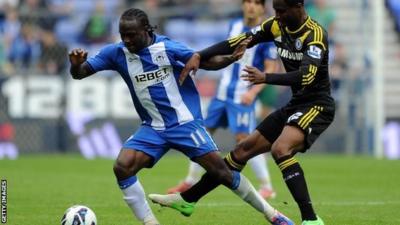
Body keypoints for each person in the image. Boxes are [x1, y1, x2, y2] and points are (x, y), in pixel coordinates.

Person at [69, 8, 293, 225]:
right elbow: (80, 74)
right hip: (153, 127)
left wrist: (231, 59)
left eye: (131, 35)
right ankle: (150, 222)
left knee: (222, 173)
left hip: (185, 123)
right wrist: (76, 65)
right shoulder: (116, 53)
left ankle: (272, 214)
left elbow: (204, 61)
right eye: (123, 35)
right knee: (122, 166)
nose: (126, 40)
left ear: (146, 30)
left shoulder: (167, 47)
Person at [149, 0, 335, 225]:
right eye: (275, 10)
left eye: (282, 11)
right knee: (241, 151)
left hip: (317, 105)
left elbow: (307, 77)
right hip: (296, 104)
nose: (277, 16)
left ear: (299, 6)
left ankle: (311, 220)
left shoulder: (314, 35)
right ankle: (188, 199)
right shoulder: (276, 25)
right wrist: (198, 55)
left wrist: (265, 78)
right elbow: (237, 41)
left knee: (281, 148)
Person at [166, 0, 277, 199]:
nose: (251, 6)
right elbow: (224, 54)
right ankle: (189, 181)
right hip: (222, 93)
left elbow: (271, 68)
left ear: (262, 7)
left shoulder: (267, 34)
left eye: (256, 3)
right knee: (201, 133)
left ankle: (267, 185)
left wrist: (253, 92)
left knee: (246, 140)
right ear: (243, 5)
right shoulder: (233, 25)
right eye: (248, 2)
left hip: (242, 96)